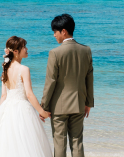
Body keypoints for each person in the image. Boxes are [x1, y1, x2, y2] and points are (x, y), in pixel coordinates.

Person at [0, 36, 53, 157]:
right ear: (15, 51)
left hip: (7, 108)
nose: (27, 49)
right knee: (25, 143)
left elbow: (3, 95)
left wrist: (2, 114)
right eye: (24, 47)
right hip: (22, 108)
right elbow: (29, 95)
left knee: (6, 145)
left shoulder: (5, 69)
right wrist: (43, 112)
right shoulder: (24, 69)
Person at [40, 14, 94, 157]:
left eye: (55, 32)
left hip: (59, 107)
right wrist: (88, 102)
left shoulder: (55, 53)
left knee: (59, 143)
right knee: (77, 142)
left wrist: (43, 106)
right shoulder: (86, 50)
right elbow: (89, 78)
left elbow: (50, 82)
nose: (54, 35)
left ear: (63, 31)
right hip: (79, 104)